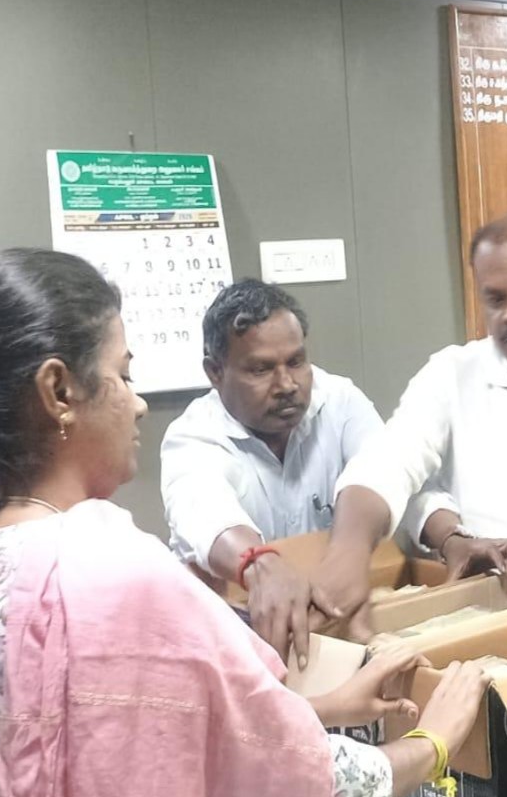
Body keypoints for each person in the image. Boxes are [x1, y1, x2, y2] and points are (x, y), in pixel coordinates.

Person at [0, 248, 485, 797]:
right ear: (59, 391)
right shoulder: (113, 573)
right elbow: (291, 781)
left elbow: (124, 730)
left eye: (295, 361)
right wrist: (432, 744)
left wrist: (323, 707)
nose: (139, 404)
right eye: (123, 375)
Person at [314, 214, 507, 622]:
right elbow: (387, 463)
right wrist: (348, 553)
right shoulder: (451, 375)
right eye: (496, 300)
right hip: (490, 617)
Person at [161, 278, 383, 665]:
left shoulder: (339, 401)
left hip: (336, 627)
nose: (287, 385)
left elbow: (382, 468)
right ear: (215, 372)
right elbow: (204, 510)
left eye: (296, 362)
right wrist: (259, 565)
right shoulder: (193, 436)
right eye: (261, 369)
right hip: (235, 648)